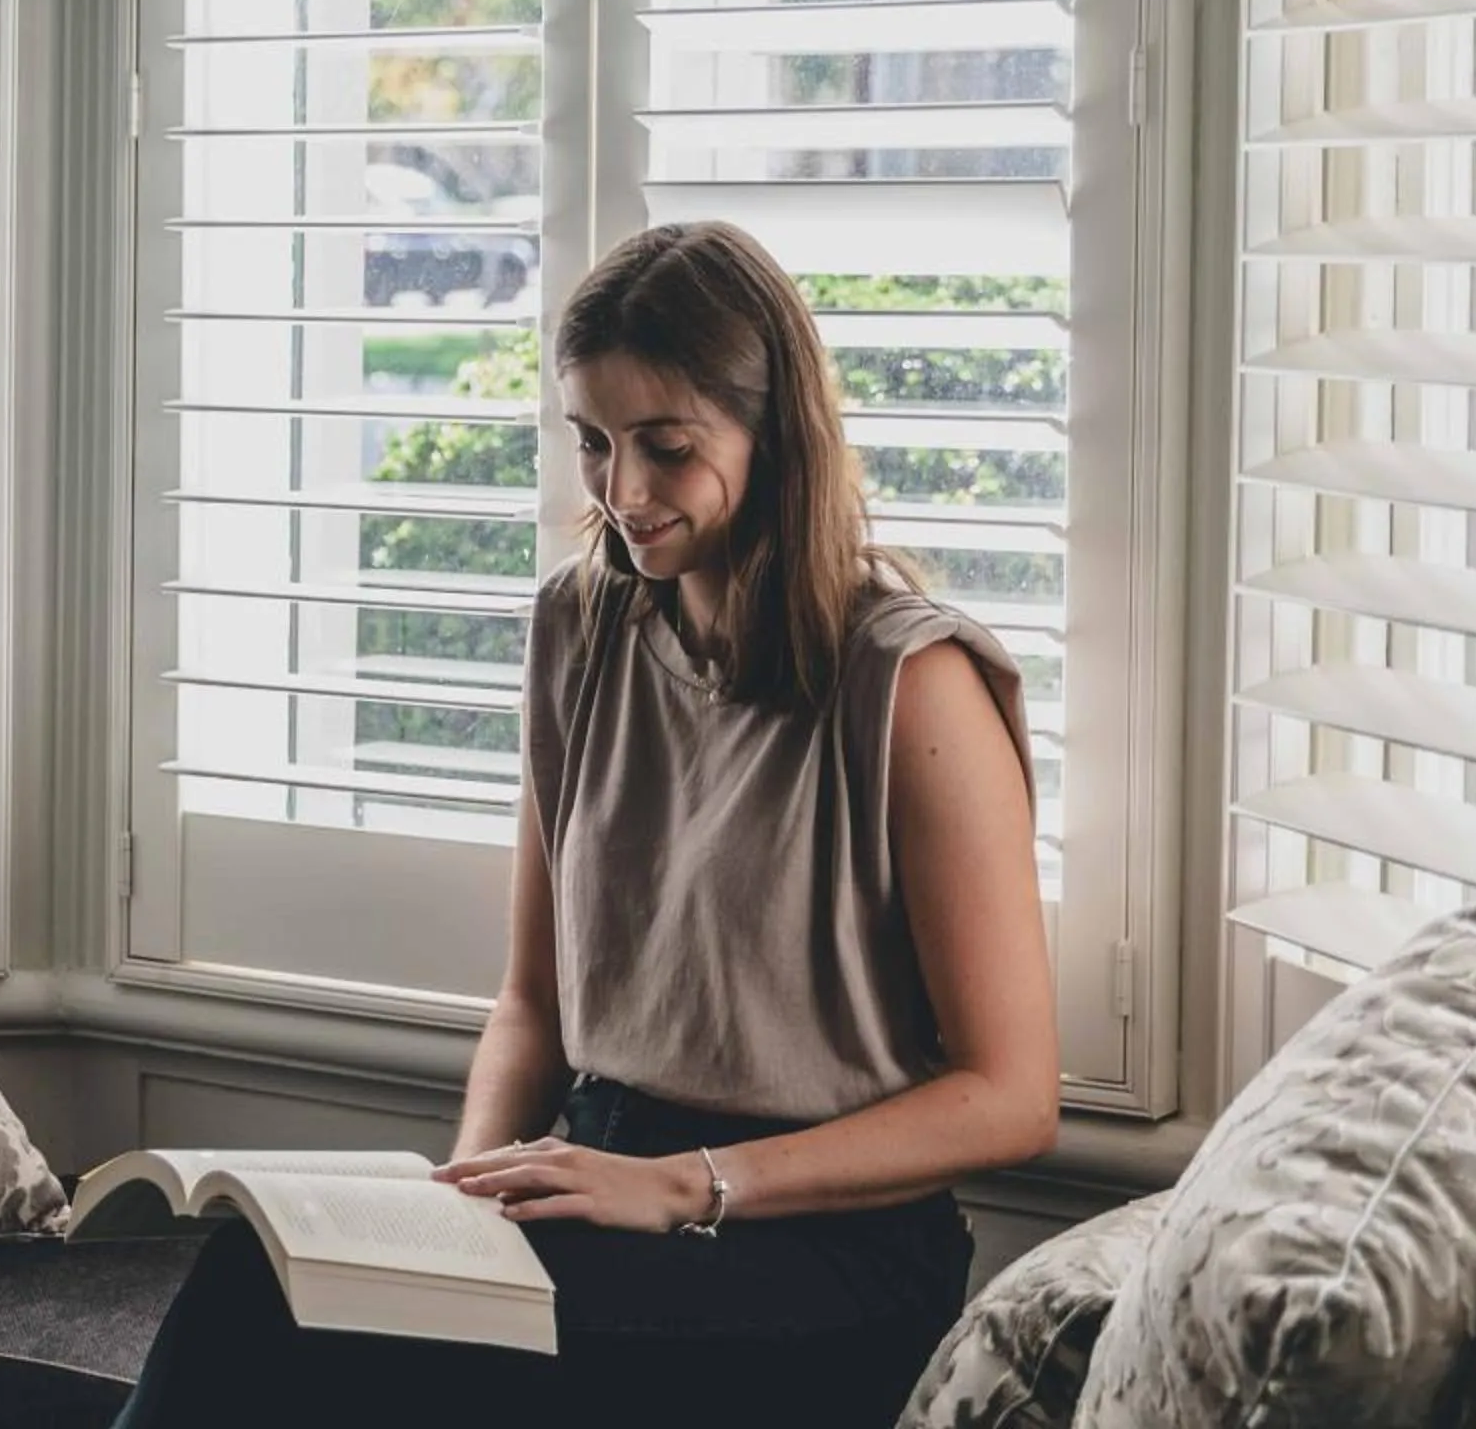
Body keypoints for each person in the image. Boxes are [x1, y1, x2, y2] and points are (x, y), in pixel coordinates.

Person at [117, 221, 1056, 1427]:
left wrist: (685, 1185)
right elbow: (536, 1003)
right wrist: (450, 1202)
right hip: (598, 1173)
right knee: (269, 1282)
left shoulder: (913, 682)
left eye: (666, 448)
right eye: (592, 443)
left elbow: (1012, 1093)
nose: (620, 494)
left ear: (776, 440)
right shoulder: (582, 624)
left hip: (824, 1243)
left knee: (289, 1332)